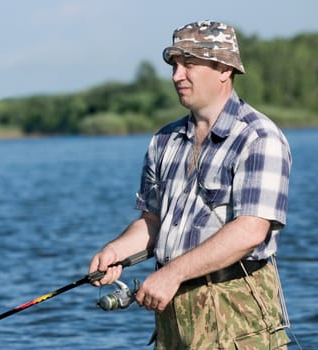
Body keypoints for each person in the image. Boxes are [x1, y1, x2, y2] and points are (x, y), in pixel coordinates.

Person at [88, 20, 291, 349]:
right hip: (172, 315)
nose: (176, 75)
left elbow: (251, 230)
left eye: (189, 64)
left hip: (238, 315)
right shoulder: (164, 140)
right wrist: (116, 250)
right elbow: (153, 221)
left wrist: (172, 274)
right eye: (174, 65)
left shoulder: (258, 137)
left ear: (224, 69)